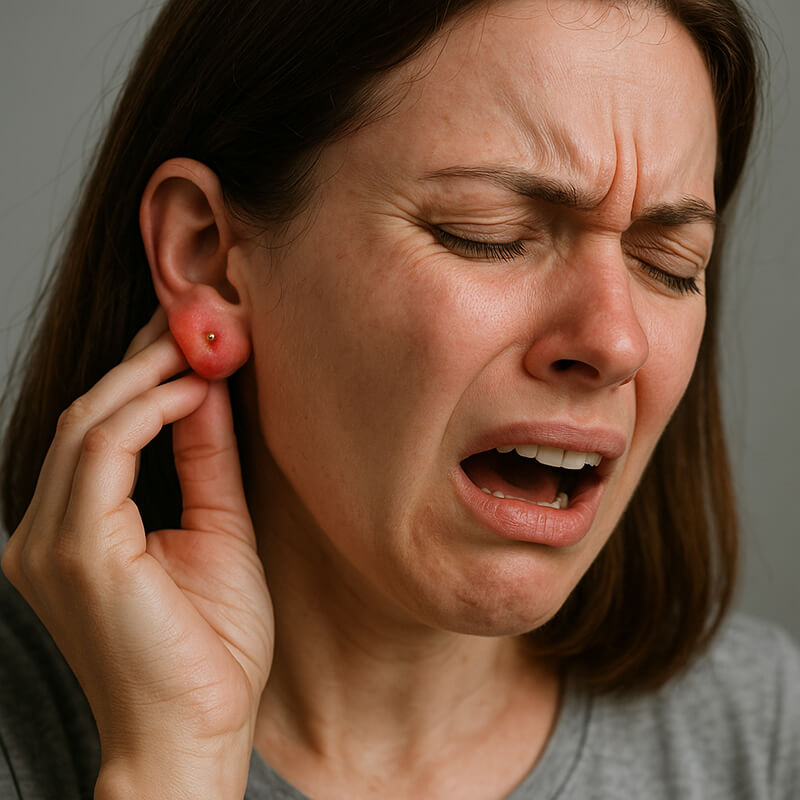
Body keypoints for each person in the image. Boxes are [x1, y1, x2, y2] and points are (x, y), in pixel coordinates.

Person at [1, 0, 798, 797]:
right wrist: (172, 767)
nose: (617, 342)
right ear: (206, 253)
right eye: (485, 230)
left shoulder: (767, 735)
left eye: (669, 263)